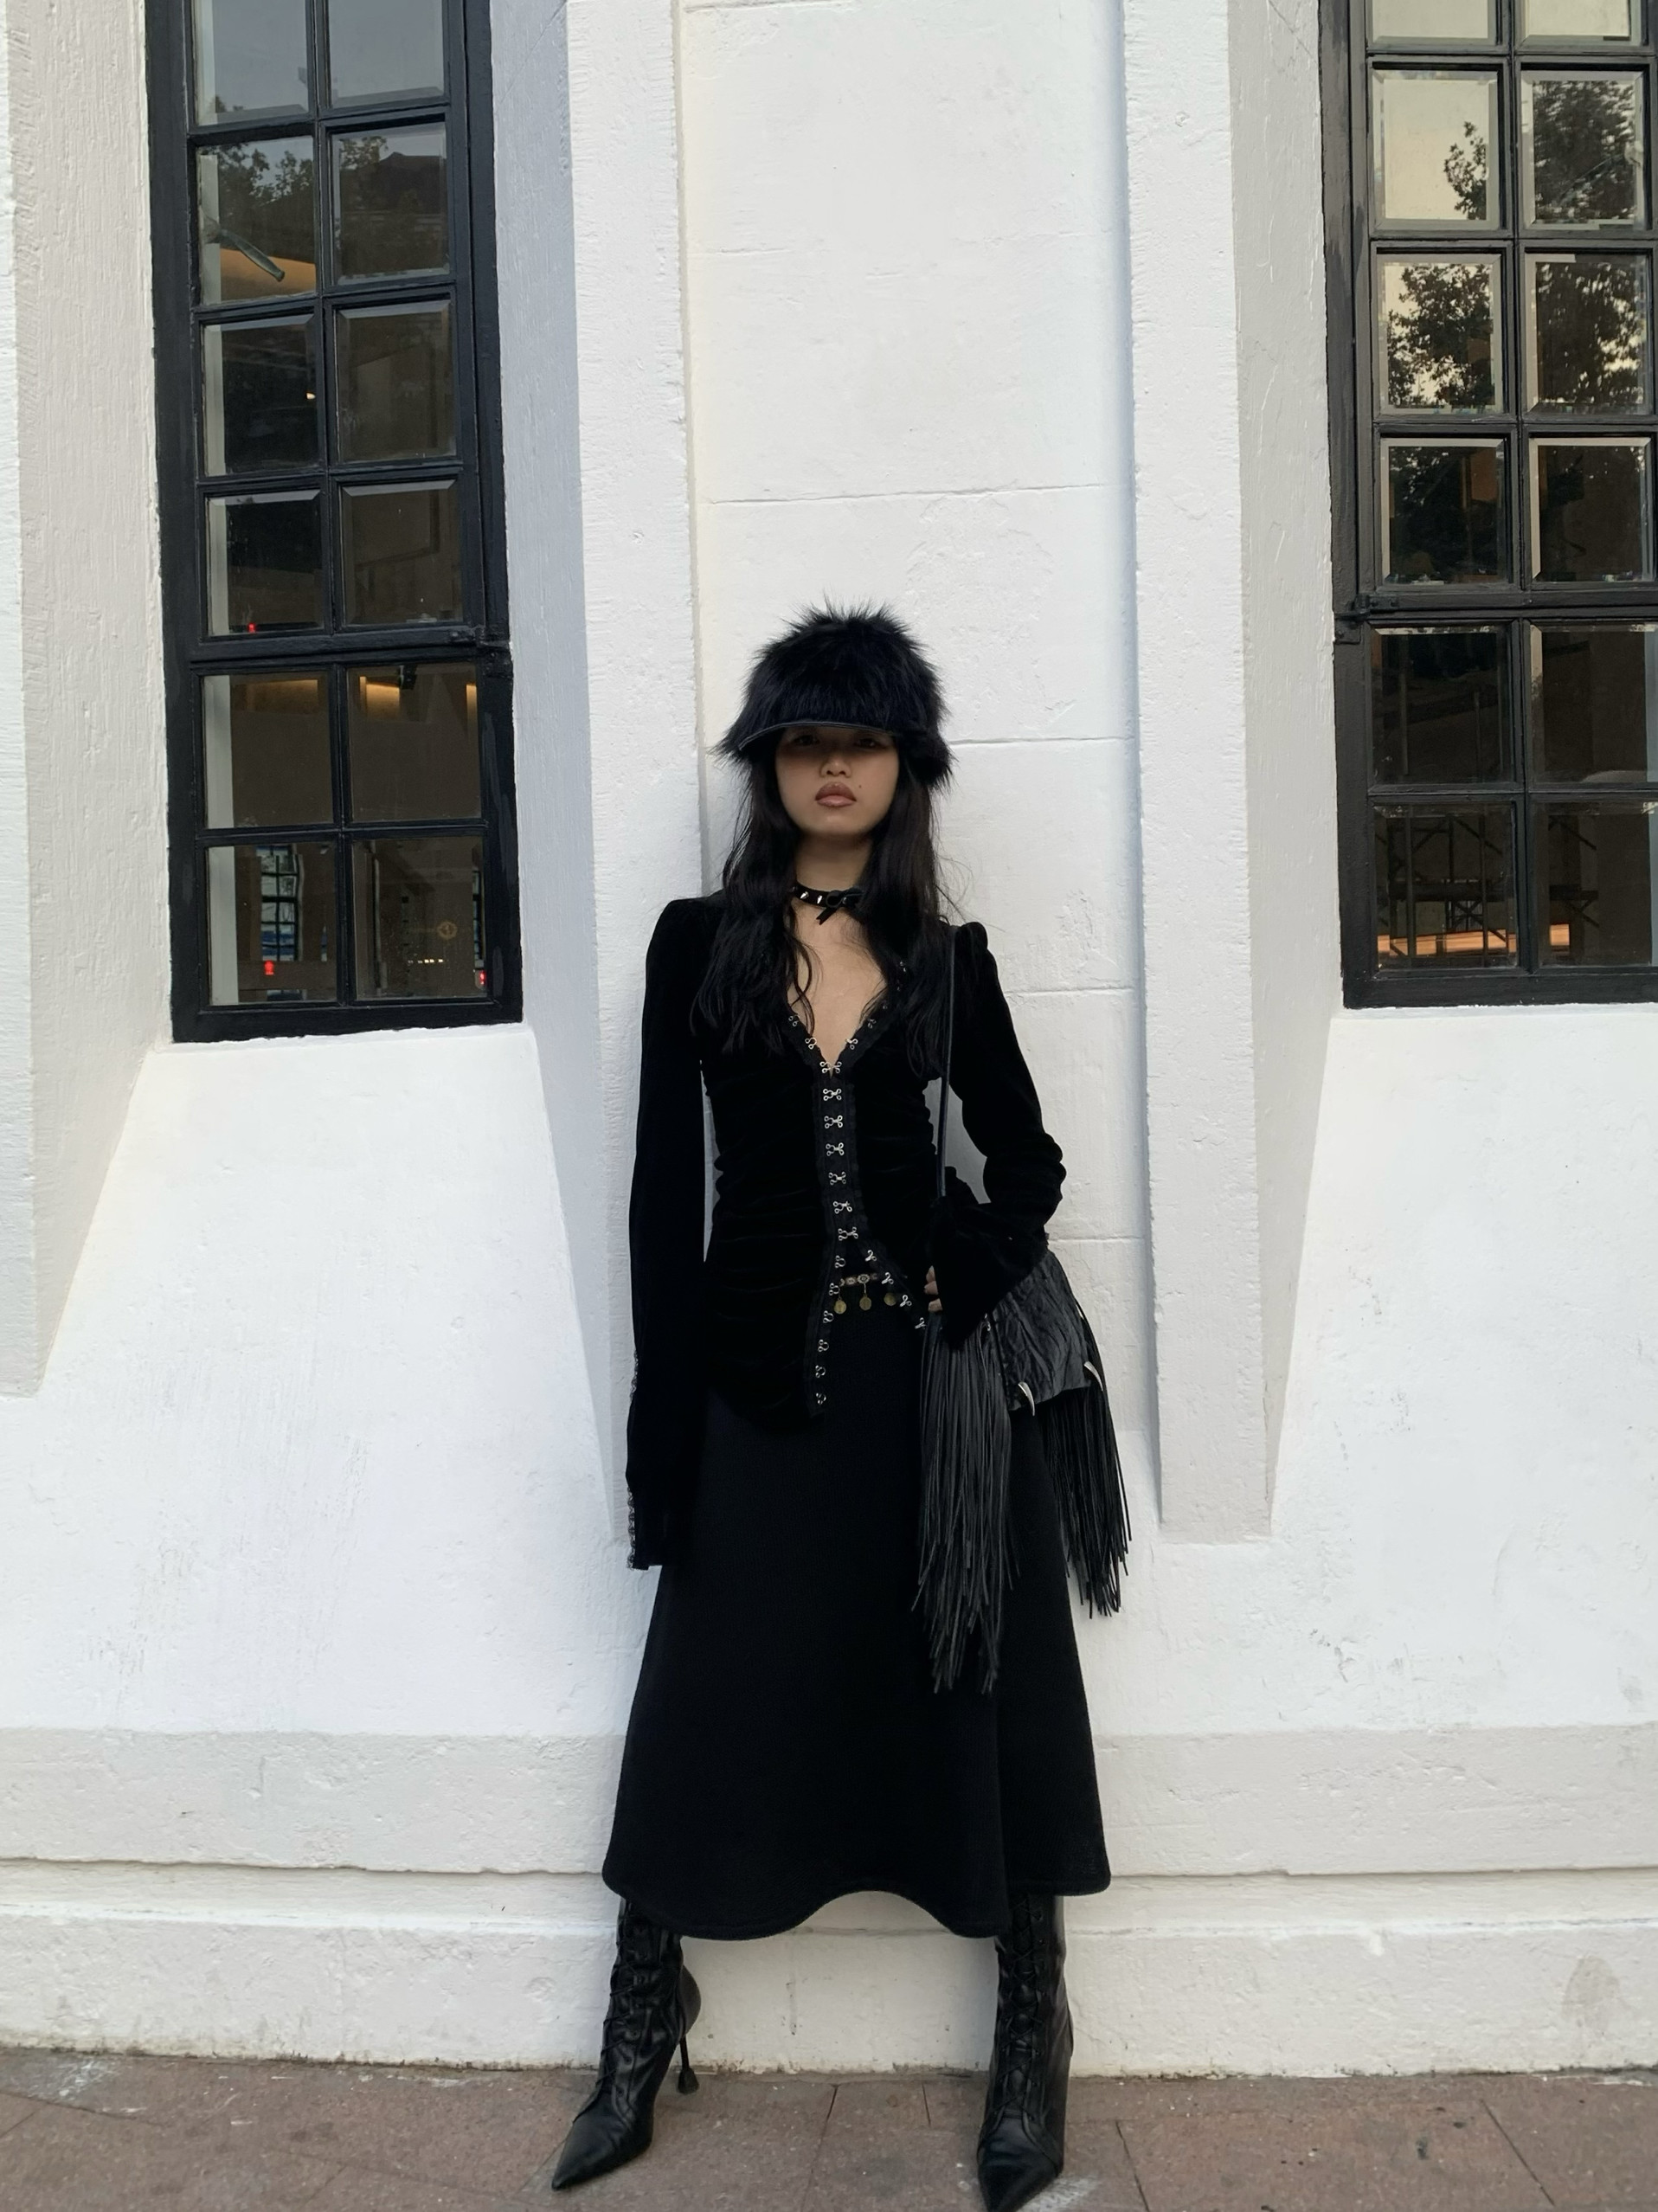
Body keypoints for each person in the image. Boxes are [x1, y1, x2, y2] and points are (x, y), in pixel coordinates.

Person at [550, 607, 1109, 2212]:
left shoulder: (947, 958)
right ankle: (642, 2015)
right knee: (705, 1689)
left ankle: (1031, 2023)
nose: (834, 768)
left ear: (902, 766)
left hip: (935, 1401)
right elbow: (664, 1203)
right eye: (807, 742)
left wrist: (968, 1263)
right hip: (763, 1389)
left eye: (861, 742)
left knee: (990, 1685)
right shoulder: (697, 945)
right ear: (773, 766)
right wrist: (667, 1439)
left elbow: (1027, 1159)